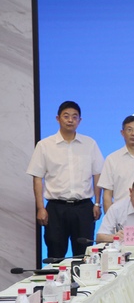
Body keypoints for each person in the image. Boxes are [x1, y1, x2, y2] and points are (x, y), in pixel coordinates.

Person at [26, 101, 104, 258]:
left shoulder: (89, 144)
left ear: (80, 120)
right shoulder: (45, 145)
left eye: (75, 117)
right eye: (66, 116)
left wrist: (97, 203)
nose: (70, 120)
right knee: (55, 253)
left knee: (84, 255)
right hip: (56, 209)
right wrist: (40, 208)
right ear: (58, 118)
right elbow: (37, 178)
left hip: (83, 208)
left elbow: (97, 175)